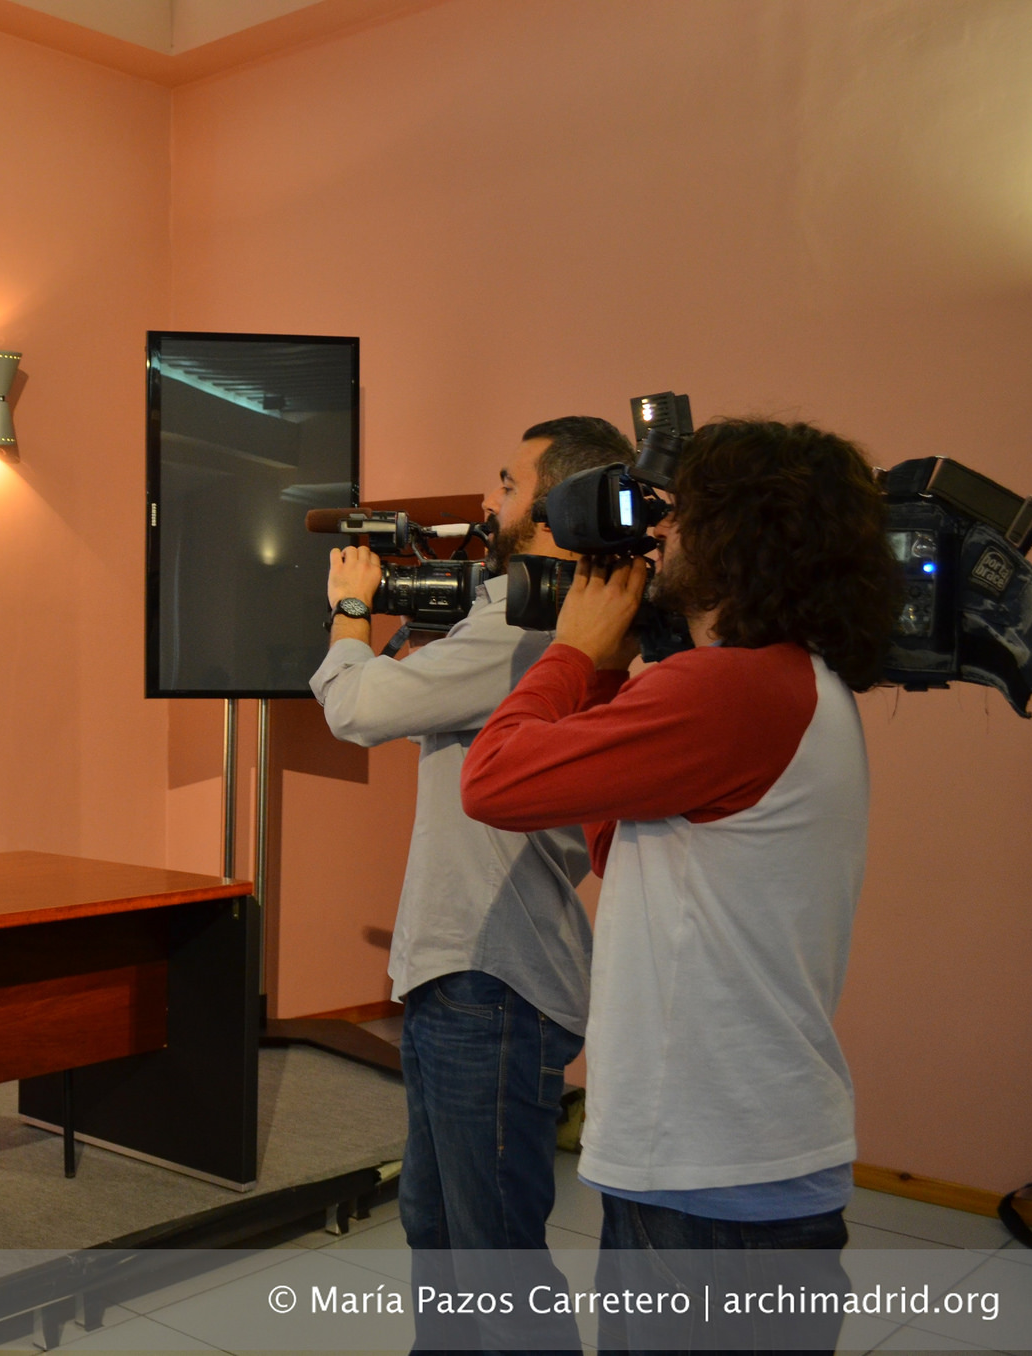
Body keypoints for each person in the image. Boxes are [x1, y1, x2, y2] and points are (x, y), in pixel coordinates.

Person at [459, 419, 901, 1353]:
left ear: (742, 536)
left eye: (682, 512)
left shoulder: (729, 689)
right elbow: (625, 849)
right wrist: (609, 677)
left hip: (712, 1174)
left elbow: (493, 783)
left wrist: (572, 653)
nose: (657, 531)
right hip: (720, 1158)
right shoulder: (787, 683)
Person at [310, 416, 633, 1352]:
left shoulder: (528, 629)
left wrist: (351, 606)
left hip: (496, 982)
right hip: (461, 972)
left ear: (557, 509)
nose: (489, 500)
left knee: (493, 1260)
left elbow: (358, 707)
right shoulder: (513, 618)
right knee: (439, 1234)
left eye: (507, 483)